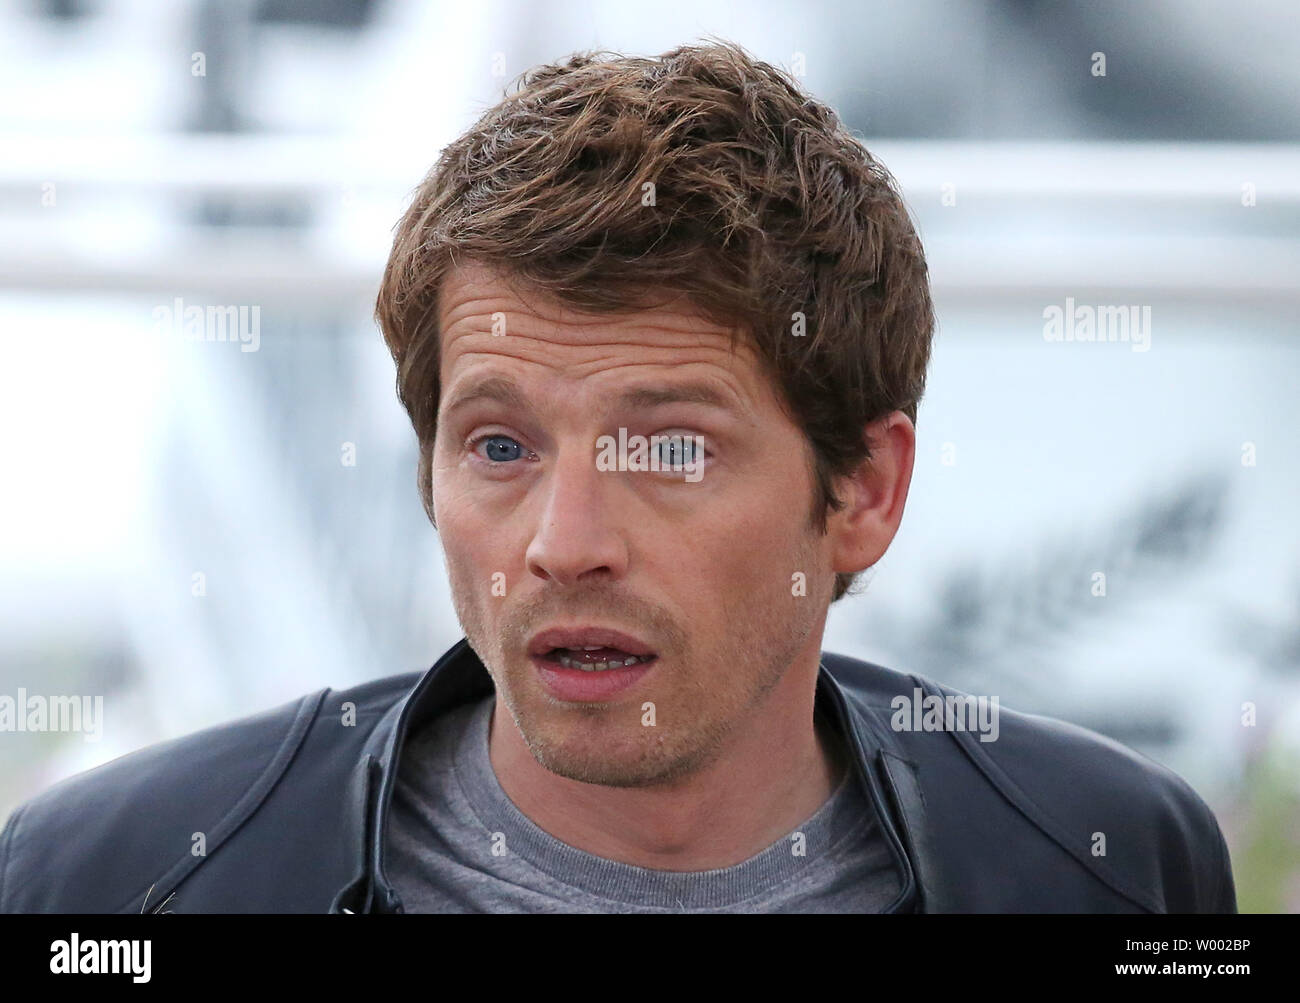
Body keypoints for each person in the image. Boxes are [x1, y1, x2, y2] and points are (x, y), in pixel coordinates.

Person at [0, 40, 1234, 914]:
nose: (563, 542)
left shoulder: (1110, 861)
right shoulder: (120, 879)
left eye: (668, 451)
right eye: (498, 446)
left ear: (861, 491)